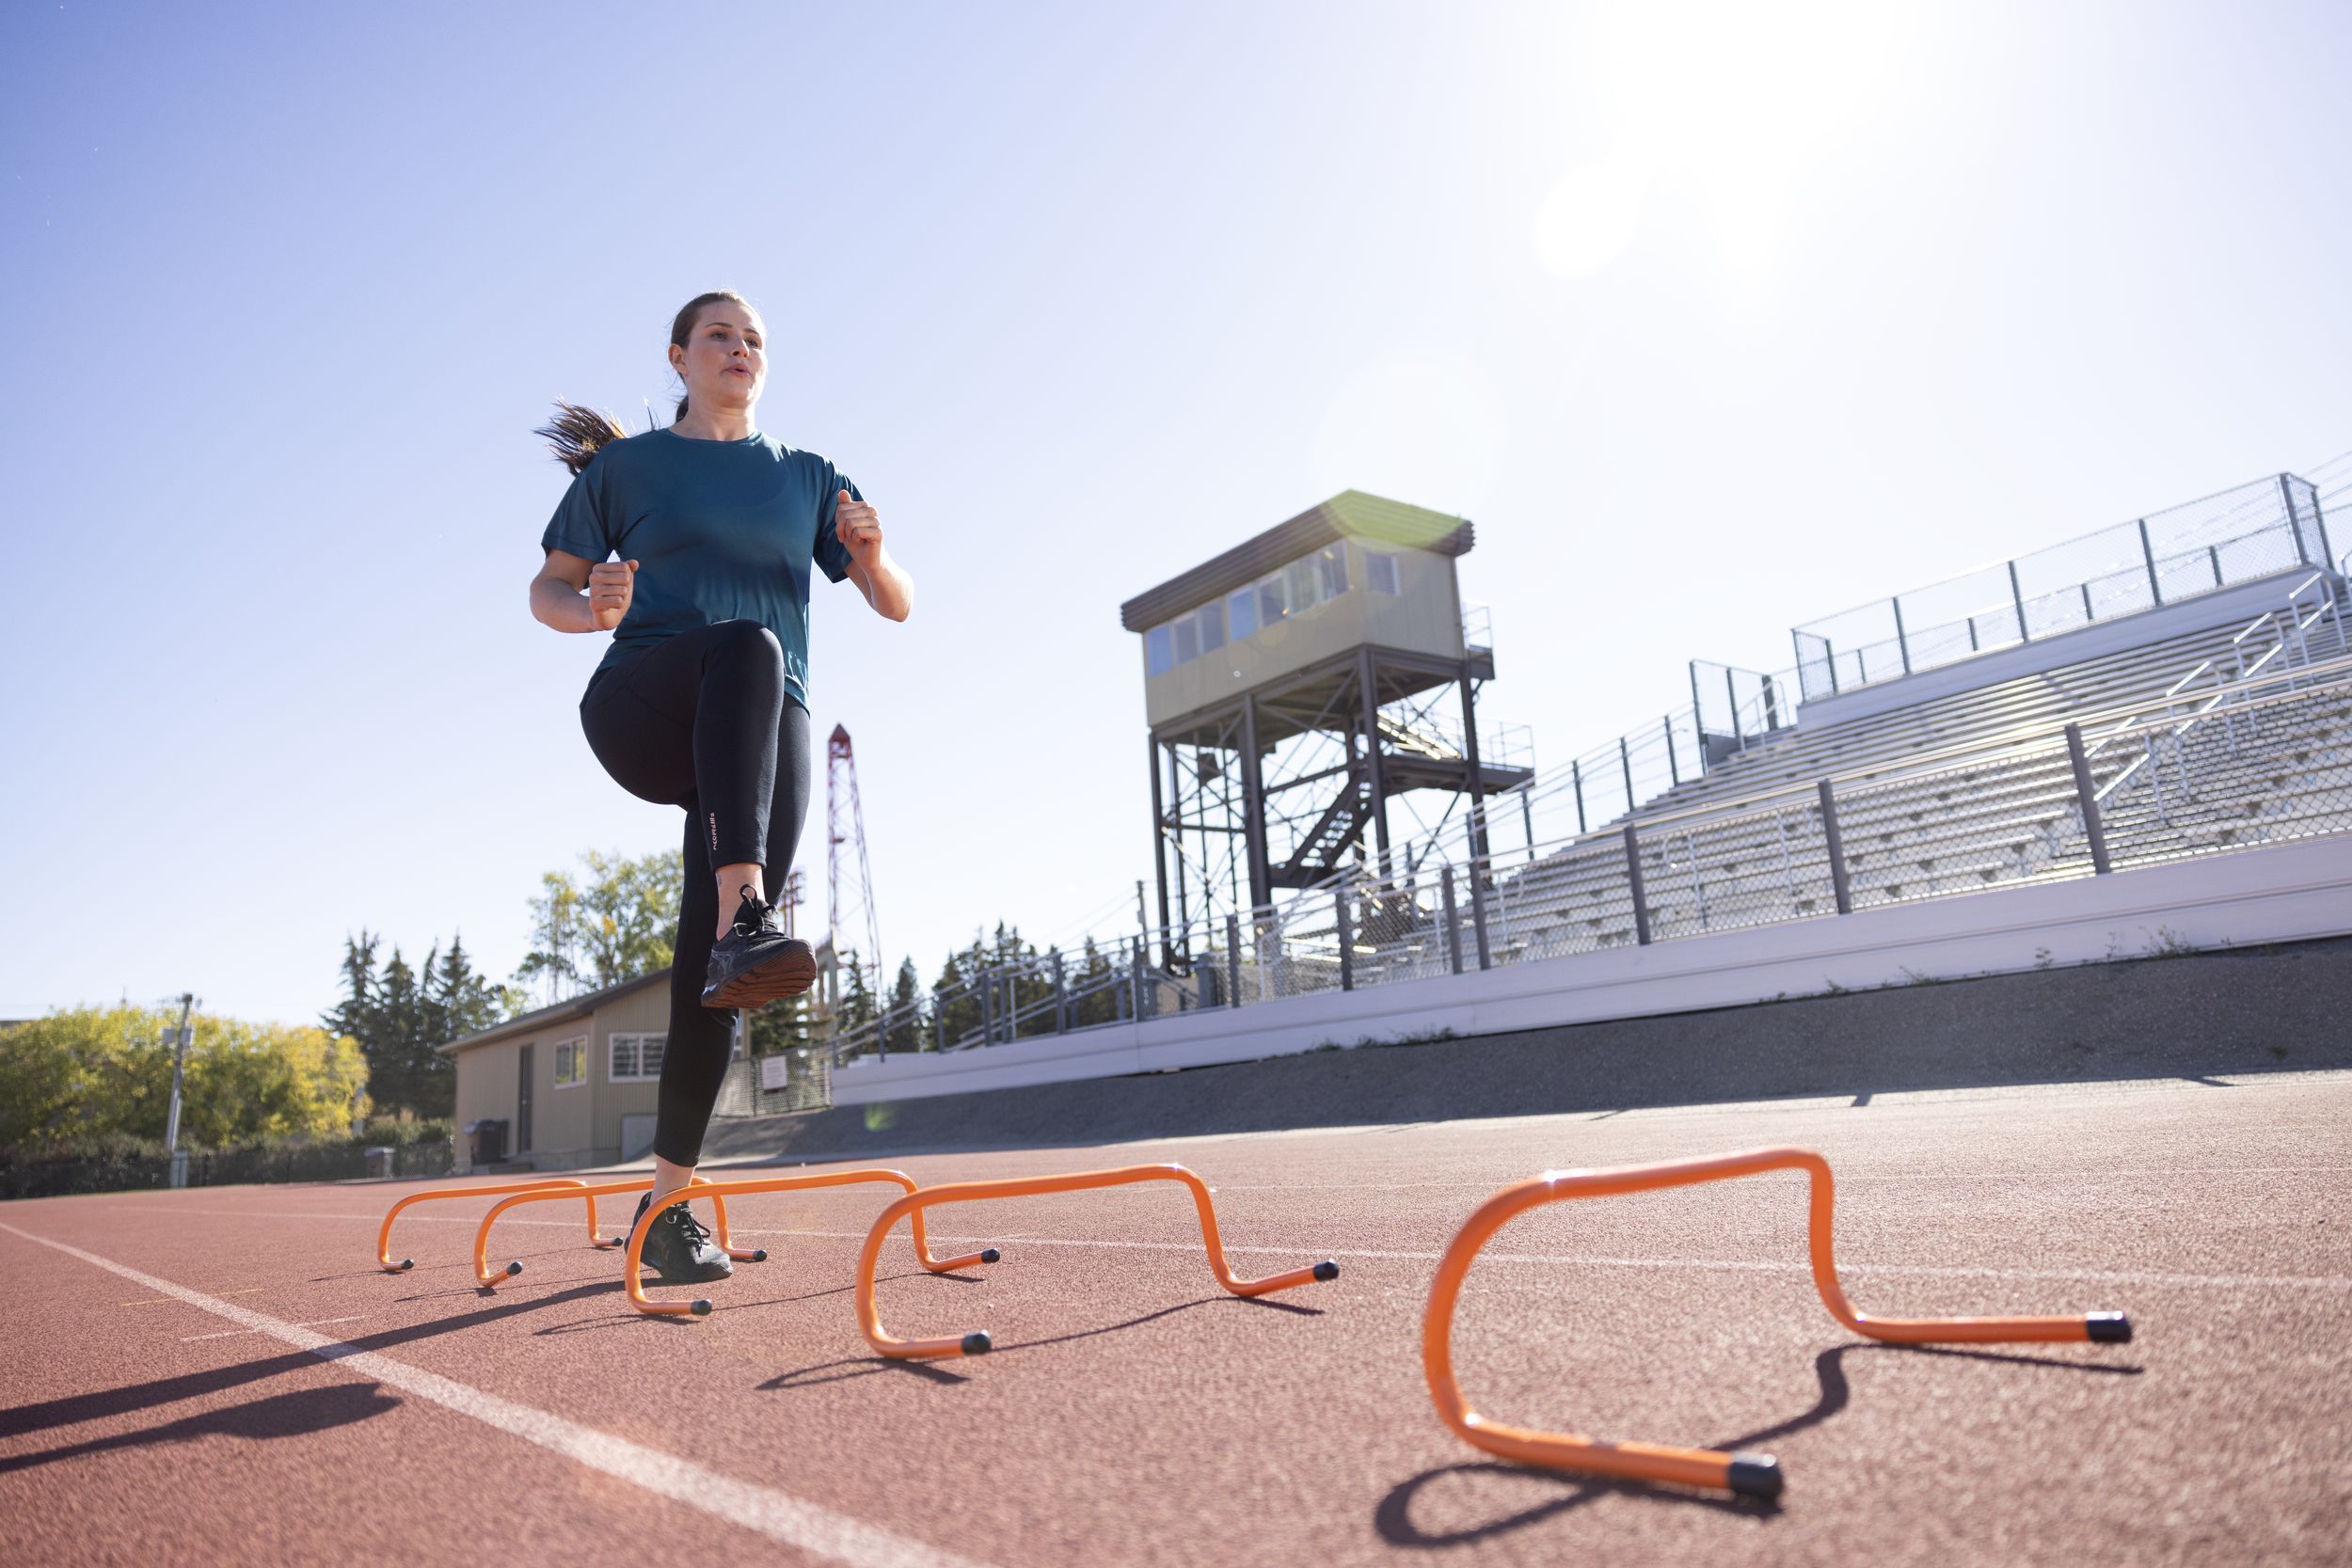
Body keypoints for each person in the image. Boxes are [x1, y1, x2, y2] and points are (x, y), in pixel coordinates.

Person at [528, 290, 912, 1282]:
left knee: (718, 974)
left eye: (754, 340)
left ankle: (666, 1208)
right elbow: (548, 589)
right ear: (679, 357)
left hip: (760, 728)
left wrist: (870, 555)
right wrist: (593, 608)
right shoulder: (628, 469)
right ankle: (748, 908)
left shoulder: (809, 476)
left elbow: (894, 603)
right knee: (746, 643)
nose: (739, 349)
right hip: (646, 701)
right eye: (719, 336)